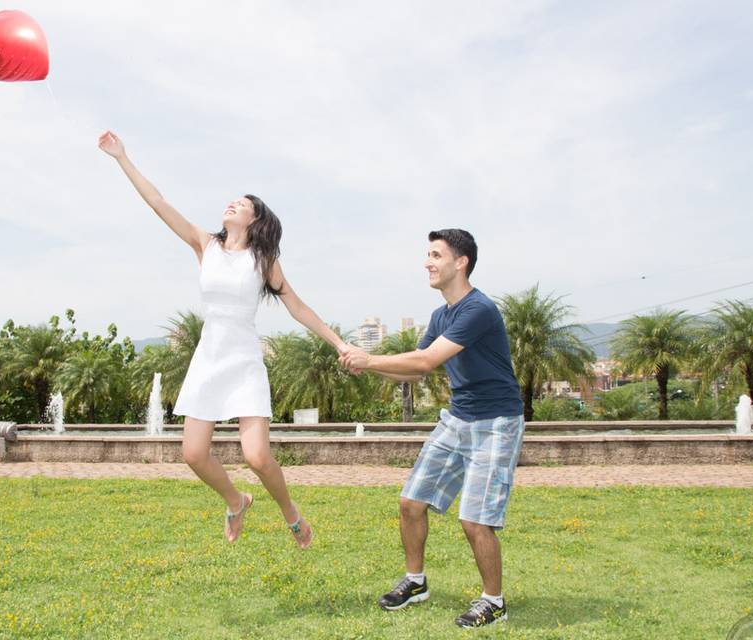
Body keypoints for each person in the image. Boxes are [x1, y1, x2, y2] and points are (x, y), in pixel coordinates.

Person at [99, 130, 350, 548]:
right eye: (233, 201)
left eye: (244, 203)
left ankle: (292, 515)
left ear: (256, 220)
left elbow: (298, 307)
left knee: (256, 456)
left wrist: (339, 343)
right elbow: (159, 203)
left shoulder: (264, 260)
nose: (233, 204)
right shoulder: (206, 244)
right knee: (193, 455)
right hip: (208, 358)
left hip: (244, 360)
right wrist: (122, 157)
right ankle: (237, 501)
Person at [342, 229, 524, 628]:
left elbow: (425, 361)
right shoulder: (441, 315)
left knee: (475, 520)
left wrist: (370, 359)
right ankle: (415, 581)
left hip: (496, 422)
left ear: (461, 262)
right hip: (458, 418)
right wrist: (365, 365)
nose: (427, 262)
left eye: (435, 254)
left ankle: (493, 601)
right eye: (427, 254)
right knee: (411, 502)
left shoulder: (478, 309)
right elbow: (414, 371)